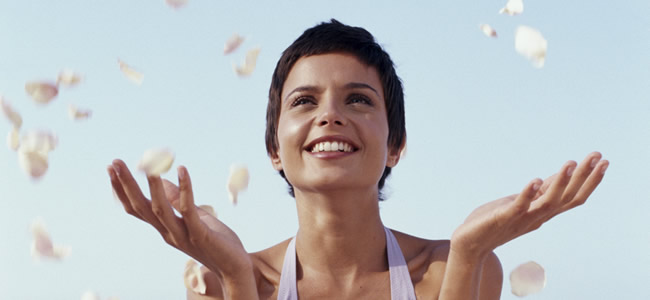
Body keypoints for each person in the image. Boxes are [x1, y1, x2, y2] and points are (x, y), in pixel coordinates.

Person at [106, 19, 608, 299]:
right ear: (273, 150)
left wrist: (471, 252)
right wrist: (238, 280)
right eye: (304, 101)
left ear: (396, 144)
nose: (330, 117)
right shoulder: (225, 280)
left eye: (359, 100)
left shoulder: (446, 272)